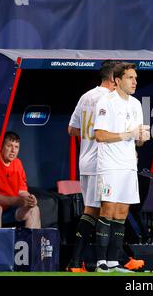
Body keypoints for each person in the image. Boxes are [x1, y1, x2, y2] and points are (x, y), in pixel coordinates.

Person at [93, 62, 150, 272]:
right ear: (117, 80)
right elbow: (99, 135)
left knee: (122, 212)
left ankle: (113, 261)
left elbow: (137, 140)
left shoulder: (135, 104)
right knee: (108, 210)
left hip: (128, 166)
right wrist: (127, 135)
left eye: (136, 78)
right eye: (130, 78)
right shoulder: (106, 102)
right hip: (109, 165)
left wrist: (142, 137)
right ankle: (100, 262)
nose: (135, 82)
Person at [66, 60, 117, 272]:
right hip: (101, 163)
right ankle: (80, 261)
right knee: (98, 211)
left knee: (96, 210)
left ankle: (106, 259)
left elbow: (72, 129)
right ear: (115, 78)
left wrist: (88, 137)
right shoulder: (110, 99)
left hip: (86, 161)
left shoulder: (86, 96)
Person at [0, 131, 41, 229]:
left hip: (12, 209)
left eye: (16, 147)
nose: (13, 150)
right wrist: (15, 201)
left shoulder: (18, 163)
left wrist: (30, 199)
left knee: (34, 209)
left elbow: (22, 191)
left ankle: (31, 243)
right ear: (2, 147)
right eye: (9, 146)